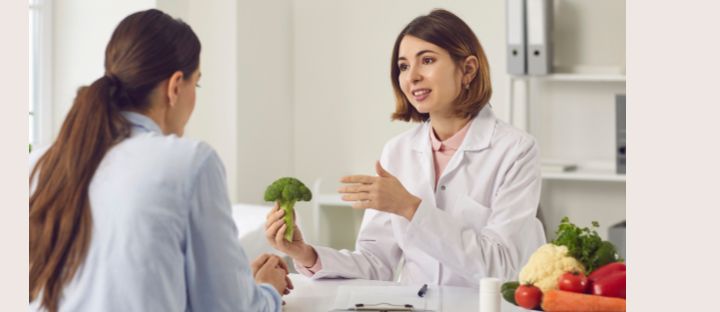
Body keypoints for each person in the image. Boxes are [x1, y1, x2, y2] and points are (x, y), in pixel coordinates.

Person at [29, 9, 291, 312]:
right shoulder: (190, 162)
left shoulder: (41, 166)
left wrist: (241, 281)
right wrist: (268, 290)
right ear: (175, 87)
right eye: (198, 84)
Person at [265, 9, 546, 287]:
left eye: (427, 60)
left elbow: (501, 266)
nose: (412, 77)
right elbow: (376, 263)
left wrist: (409, 207)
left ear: (468, 69)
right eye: (403, 66)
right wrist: (307, 254)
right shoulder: (397, 152)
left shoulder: (515, 150)